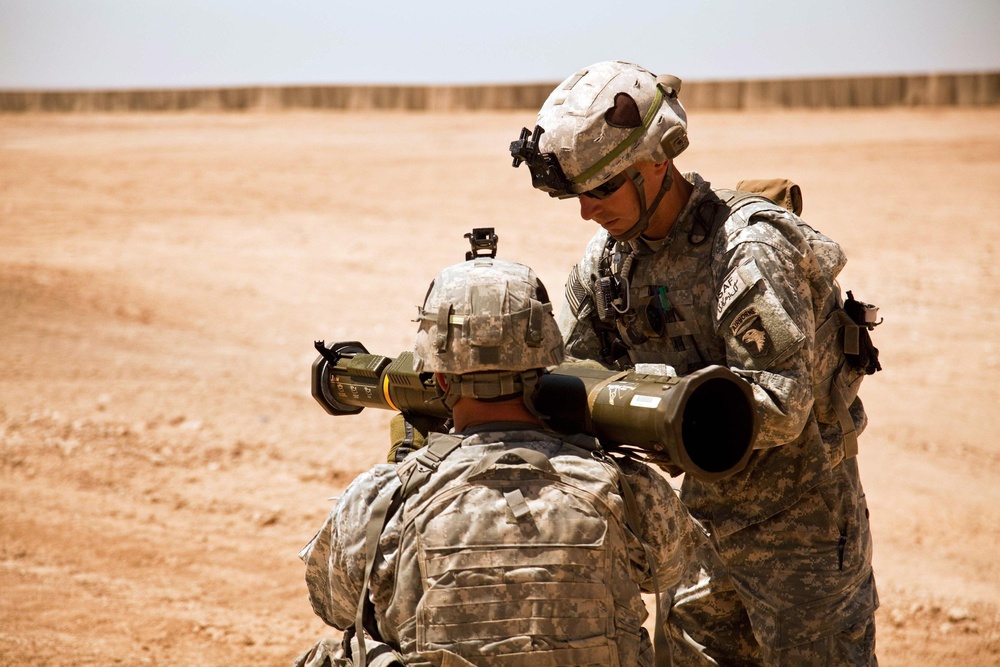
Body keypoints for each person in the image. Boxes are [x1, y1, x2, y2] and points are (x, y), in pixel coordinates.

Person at [509, 60, 880, 665]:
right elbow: (569, 374)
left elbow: (783, 407)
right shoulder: (609, 262)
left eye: (603, 188)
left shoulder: (749, 247)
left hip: (802, 533)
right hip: (696, 526)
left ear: (658, 159)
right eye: (579, 193)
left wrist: (657, 406)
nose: (587, 211)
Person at [297, 255, 705, 666]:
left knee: (336, 655)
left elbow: (335, 604)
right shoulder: (624, 487)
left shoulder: (383, 499)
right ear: (546, 366)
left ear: (439, 377)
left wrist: (406, 462)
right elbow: (669, 570)